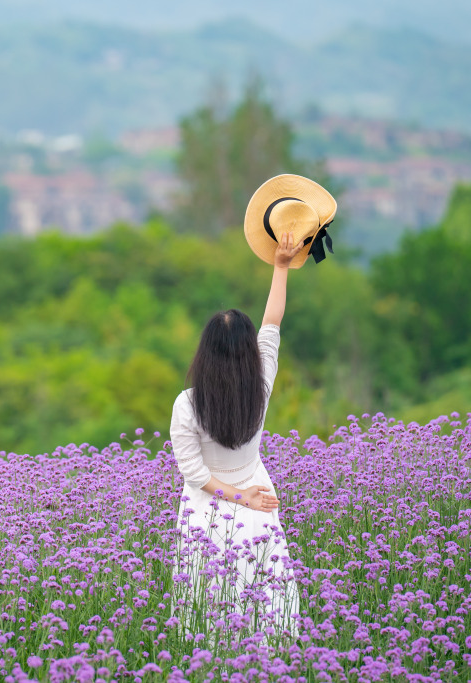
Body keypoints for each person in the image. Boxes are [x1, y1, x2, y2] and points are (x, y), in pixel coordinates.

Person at [169, 230, 303, 645]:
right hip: (257, 495)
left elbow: (194, 474)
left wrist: (238, 498)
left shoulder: (188, 403)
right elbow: (272, 323)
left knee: (207, 600)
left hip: (206, 510)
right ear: (248, 352)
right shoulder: (260, 382)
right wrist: (280, 267)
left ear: (204, 353)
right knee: (267, 593)